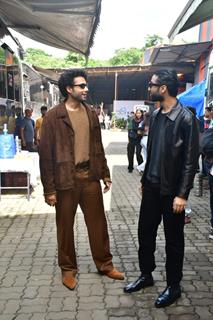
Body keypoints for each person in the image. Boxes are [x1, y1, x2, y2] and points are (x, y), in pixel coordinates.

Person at [39, 69, 124, 291]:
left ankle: (105, 264)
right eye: (81, 86)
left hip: (90, 178)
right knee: (65, 226)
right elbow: (45, 155)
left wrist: (105, 173)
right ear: (69, 89)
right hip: (65, 180)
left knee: (98, 224)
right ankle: (68, 269)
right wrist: (49, 190)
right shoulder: (53, 117)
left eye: (86, 86)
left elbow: (98, 147)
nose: (86, 89)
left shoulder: (91, 113)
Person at [124, 70, 199, 308]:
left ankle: (173, 286)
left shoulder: (186, 119)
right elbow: (151, 152)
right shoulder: (155, 116)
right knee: (145, 233)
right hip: (152, 187)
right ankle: (146, 275)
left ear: (163, 88)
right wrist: (144, 181)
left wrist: (182, 195)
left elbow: (190, 161)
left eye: (152, 85)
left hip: (172, 192)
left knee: (173, 240)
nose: (149, 88)